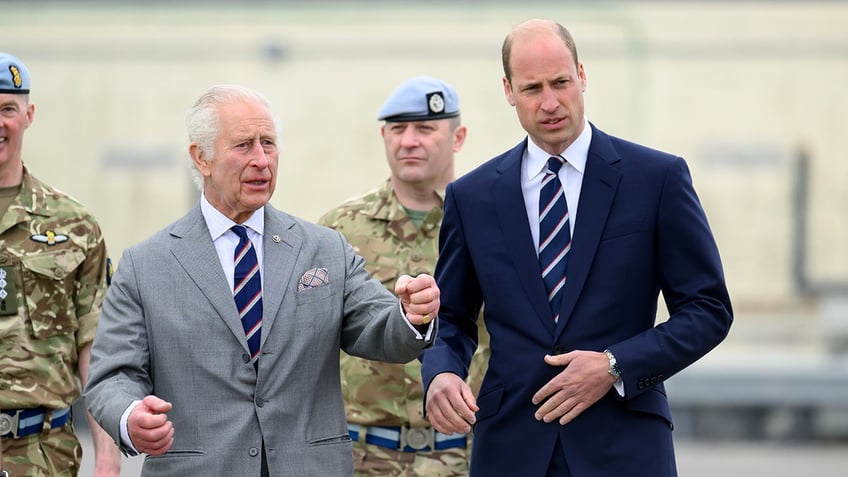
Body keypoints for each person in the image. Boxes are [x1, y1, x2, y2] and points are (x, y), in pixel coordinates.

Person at [421, 19, 733, 476]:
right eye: (532, 88)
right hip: (511, 448)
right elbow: (451, 317)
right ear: (508, 90)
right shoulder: (472, 197)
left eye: (561, 82)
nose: (550, 103)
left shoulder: (656, 179)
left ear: (582, 75)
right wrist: (443, 371)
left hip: (625, 447)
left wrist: (615, 365)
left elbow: (708, 309)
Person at [83, 84, 441, 476]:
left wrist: (410, 315)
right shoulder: (145, 265)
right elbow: (113, 375)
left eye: (268, 144)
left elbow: (378, 327)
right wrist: (131, 415)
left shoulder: (323, 249)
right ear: (201, 158)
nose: (261, 160)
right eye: (244, 146)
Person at [319, 76, 489, 476]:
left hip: (468, 457)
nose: (408, 141)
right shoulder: (339, 230)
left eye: (425, 129)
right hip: (362, 459)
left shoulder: (490, 225)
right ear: (384, 136)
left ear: (458, 136)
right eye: (398, 129)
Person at [0, 52, 122, 477]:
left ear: (28, 115)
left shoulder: (74, 226)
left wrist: (107, 455)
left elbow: (94, 347)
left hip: (44, 456)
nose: (0, 123)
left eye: (8, 109)